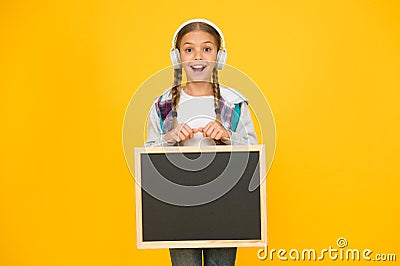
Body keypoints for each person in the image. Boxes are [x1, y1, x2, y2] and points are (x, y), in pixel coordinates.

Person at [145, 18, 258, 266]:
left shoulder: (234, 104)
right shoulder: (163, 105)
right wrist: (169, 138)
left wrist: (227, 135)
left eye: (207, 49)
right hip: (179, 207)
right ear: (178, 57)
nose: (198, 56)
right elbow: (149, 159)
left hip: (226, 205)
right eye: (189, 49)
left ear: (220, 56)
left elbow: (252, 155)